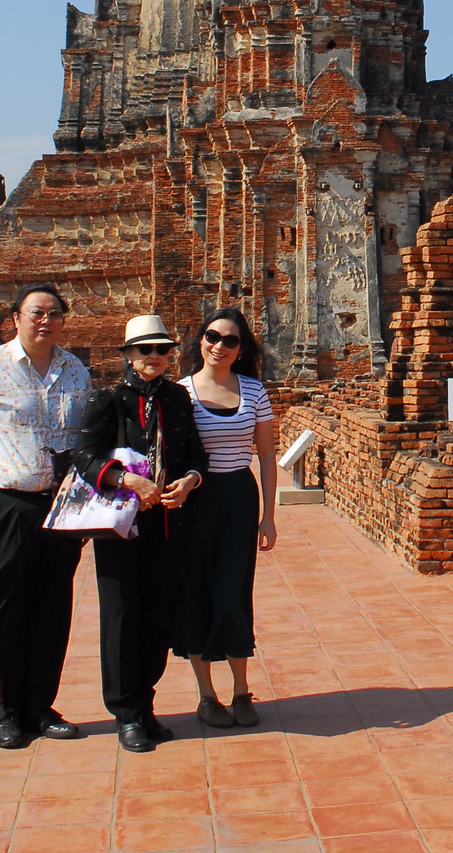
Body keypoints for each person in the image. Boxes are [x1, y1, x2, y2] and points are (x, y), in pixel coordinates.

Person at [0, 282, 93, 749]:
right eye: (35, 313)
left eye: (54, 313)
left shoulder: (76, 372)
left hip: (61, 505)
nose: (45, 320)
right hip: (6, 502)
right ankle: (5, 711)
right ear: (16, 318)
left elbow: (86, 446)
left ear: (64, 319)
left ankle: (40, 705)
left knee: (53, 609)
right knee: (6, 607)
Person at [72, 314, 206, 753]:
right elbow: (84, 458)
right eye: (145, 350)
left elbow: (195, 456)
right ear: (129, 355)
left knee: (158, 618)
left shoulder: (178, 399)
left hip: (167, 524)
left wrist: (189, 482)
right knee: (122, 617)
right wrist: (127, 480)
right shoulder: (108, 400)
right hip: (121, 527)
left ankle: (146, 703)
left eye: (162, 350)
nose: (155, 357)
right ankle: (125, 711)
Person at [176, 307, 277, 728]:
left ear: (241, 349)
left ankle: (240, 690)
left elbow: (268, 456)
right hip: (195, 501)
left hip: (237, 495)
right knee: (195, 593)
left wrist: (269, 516)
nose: (219, 346)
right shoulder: (179, 393)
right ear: (200, 340)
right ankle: (206, 695)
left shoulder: (253, 391)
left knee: (233, 593)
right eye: (213, 336)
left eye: (230, 340)